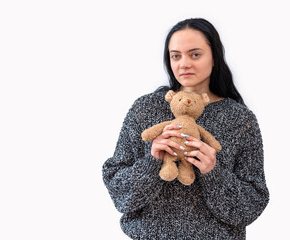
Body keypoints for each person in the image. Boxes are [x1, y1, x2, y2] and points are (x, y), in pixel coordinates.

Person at [102, 18, 269, 239]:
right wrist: (151, 162)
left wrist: (213, 173)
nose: (184, 64)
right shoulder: (144, 110)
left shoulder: (240, 120)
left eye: (195, 54)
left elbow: (252, 205)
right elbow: (119, 191)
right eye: (176, 56)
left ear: (215, 57)